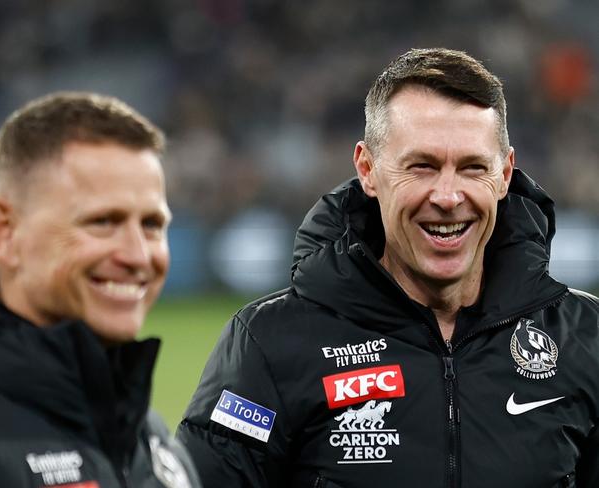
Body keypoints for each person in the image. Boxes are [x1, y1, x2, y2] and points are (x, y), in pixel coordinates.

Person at [176, 48, 599, 487]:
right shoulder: (269, 344)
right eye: (422, 166)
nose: (448, 196)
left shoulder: (585, 341)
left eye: (473, 167)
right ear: (368, 169)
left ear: (505, 174)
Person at [0, 92, 200, 488]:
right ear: (5, 230)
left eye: (152, 224)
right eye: (103, 221)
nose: (138, 255)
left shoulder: (149, 440)